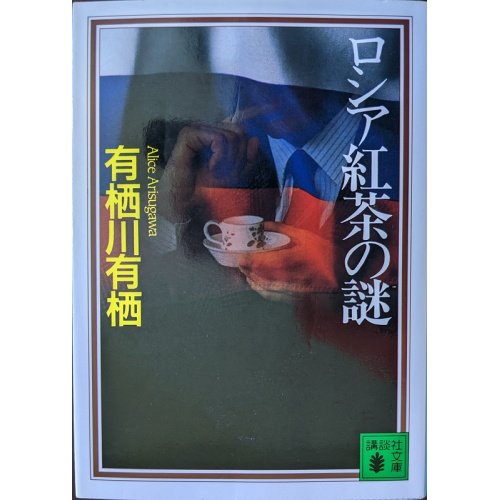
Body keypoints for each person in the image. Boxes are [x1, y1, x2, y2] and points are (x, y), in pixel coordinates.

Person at [157, 76, 399, 299]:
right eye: (246, 64)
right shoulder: (219, 161)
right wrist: (181, 212)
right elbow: (178, 290)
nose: (260, 83)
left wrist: (347, 282)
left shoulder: (408, 153)